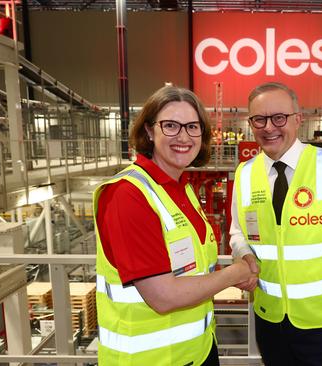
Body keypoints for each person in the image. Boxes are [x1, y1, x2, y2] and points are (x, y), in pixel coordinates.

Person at [93, 85, 252, 366]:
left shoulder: (182, 189)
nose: (183, 136)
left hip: (197, 352)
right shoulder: (127, 195)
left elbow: (193, 267)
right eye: (170, 126)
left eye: (192, 127)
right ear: (148, 132)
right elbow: (162, 297)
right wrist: (233, 274)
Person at [229, 82, 322, 366]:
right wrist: (243, 253)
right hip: (270, 322)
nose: (269, 127)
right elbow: (238, 233)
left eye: (279, 118)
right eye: (259, 119)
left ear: (298, 119)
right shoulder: (245, 174)